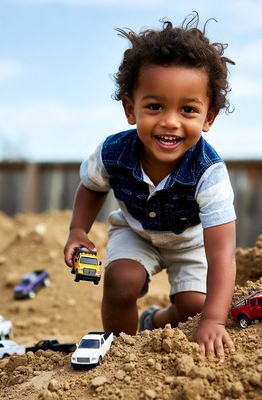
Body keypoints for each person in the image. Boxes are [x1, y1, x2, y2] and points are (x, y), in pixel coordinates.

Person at [64, 13, 236, 363]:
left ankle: (154, 321)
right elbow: (92, 185)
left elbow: (221, 254)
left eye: (188, 109)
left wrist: (214, 319)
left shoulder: (209, 172)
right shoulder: (113, 152)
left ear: (208, 118)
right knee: (121, 281)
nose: (169, 121)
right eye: (155, 106)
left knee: (193, 308)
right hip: (136, 231)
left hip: (189, 240)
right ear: (131, 109)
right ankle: (121, 352)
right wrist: (77, 229)